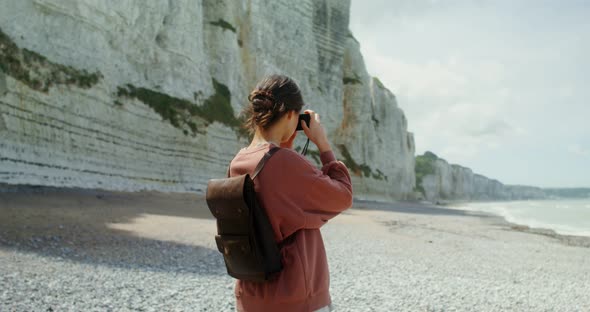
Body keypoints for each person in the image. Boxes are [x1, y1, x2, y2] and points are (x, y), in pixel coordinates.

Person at [228, 74, 353, 312]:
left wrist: (284, 145)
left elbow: (273, 194)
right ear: (289, 114)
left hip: (250, 297)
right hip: (297, 300)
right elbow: (343, 195)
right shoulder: (286, 163)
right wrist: (324, 146)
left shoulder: (237, 161)